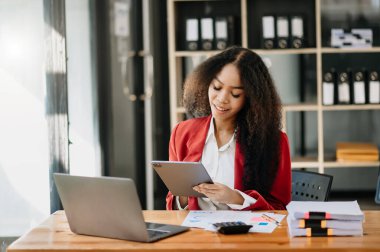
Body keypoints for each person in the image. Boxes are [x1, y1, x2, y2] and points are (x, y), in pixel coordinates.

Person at [166, 46, 291, 211]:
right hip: (196, 232)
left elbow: (279, 208)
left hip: (244, 234)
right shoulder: (182, 132)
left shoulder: (274, 142)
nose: (222, 99)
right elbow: (172, 205)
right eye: (217, 87)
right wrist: (182, 197)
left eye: (235, 94)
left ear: (251, 99)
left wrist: (236, 198)